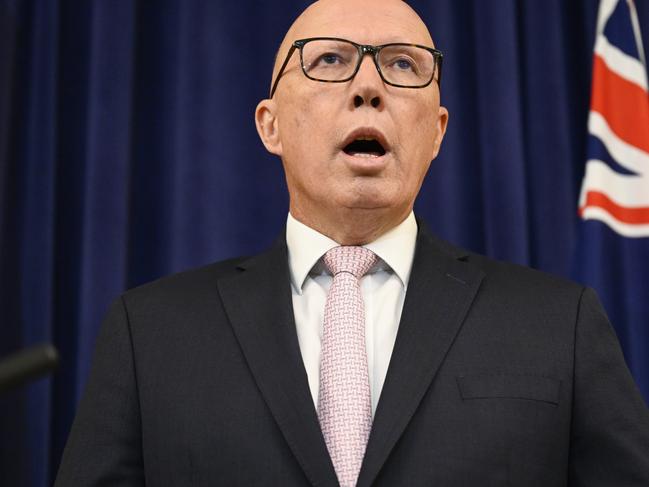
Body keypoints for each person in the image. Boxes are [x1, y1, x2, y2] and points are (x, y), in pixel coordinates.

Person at [55, 0, 649, 485]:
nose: (368, 86)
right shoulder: (150, 332)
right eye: (331, 60)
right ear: (271, 125)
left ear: (438, 130)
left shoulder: (557, 322)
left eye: (403, 65)